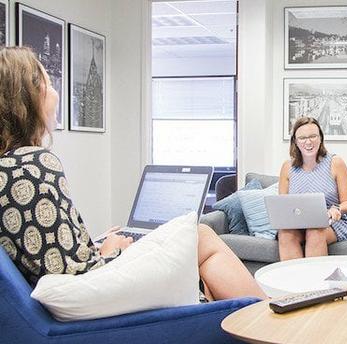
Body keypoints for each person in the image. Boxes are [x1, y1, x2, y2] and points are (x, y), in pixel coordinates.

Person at [0, 47, 266, 301]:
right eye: (48, 83)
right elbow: (74, 276)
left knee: (199, 258)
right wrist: (112, 250)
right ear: (27, 97)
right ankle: (267, 321)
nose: (56, 93)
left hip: (84, 285)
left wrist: (95, 244)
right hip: (96, 292)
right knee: (200, 237)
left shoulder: (11, 166)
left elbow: (51, 256)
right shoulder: (31, 164)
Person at [277, 116, 347, 260]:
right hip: (298, 223)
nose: (308, 142)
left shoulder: (335, 162)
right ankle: (292, 281)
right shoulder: (287, 167)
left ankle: (315, 281)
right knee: (285, 234)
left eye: (313, 136)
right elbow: (283, 207)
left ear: (320, 138)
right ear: (295, 141)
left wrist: (336, 209)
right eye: (302, 138)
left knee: (314, 231)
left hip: (331, 223)